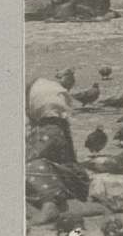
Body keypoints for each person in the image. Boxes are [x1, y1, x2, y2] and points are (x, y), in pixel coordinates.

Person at [27, 77, 93, 220]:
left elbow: (33, 154)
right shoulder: (55, 125)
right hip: (60, 177)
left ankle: (49, 204)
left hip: (65, 180)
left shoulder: (50, 129)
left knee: (32, 166)